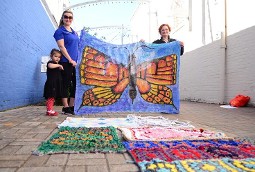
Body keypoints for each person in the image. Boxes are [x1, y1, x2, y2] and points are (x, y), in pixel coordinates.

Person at [53, 10, 79, 115]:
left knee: (76, 84)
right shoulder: (60, 31)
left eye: (70, 17)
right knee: (66, 84)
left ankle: (72, 106)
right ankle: (65, 107)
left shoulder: (74, 32)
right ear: (62, 18)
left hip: (76, 63)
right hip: (66, 62)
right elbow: (61, 47)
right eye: (66, 17)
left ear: (72, 19)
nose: (68, 19)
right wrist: (70, 60)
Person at [44, 49, 64, 116]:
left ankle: (50, 109)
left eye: (59, 57)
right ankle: (49, 110)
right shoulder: (50, 63)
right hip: (51, 84)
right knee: (51, 97)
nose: (57, 58)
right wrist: (59, 65)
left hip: (55, 84)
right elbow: (50, 66)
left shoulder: (56, 65)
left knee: (52, 97)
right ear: (51, 56)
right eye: (56, 56)